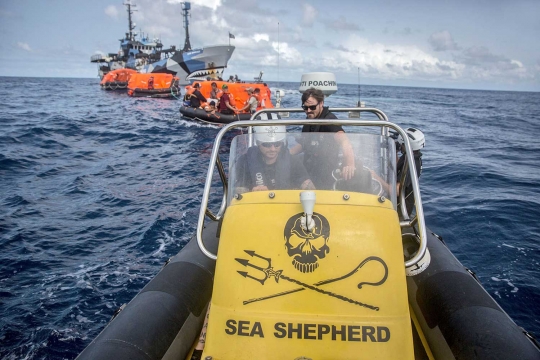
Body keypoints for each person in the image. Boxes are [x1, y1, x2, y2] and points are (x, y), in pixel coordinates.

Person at [289, 87, 355, 189]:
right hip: (309, 169)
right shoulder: (309, 120)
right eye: (305, 108)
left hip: (326, 173)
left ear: (321, 104)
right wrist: (285, 155)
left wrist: (350, 164)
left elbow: (344, 141)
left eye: (312, 107)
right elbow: (304, 144)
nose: (309, 111)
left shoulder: (329, 120)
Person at [235, 126, 315, 193]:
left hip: (286, 205)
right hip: (257, 206)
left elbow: (308, 185)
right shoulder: (245, 162)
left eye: (277, 144)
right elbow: (239, 191)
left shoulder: (293, 161)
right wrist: (252, 192)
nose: (272, 149)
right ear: (258, 143)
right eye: (267, 145)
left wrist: (305, 189)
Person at [396, 128, 425, 216]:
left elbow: (397, 191)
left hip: (399, 208)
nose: (400, 146)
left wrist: (375, 176)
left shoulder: (410, 163)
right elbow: (399, 168)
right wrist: (395, 152)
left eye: (402, 144)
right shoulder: (411, 157)